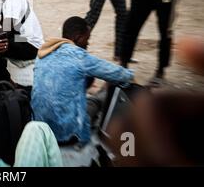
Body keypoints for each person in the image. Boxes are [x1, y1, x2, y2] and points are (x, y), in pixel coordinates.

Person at [31, 16, 133, 145]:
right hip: (68, 134)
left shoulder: (43, 54)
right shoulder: (79, 56)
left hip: (41, 130)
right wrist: (129, 75)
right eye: (87, 39)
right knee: (99, 98)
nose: (88, 43)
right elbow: (120, 75)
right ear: (78, 38)